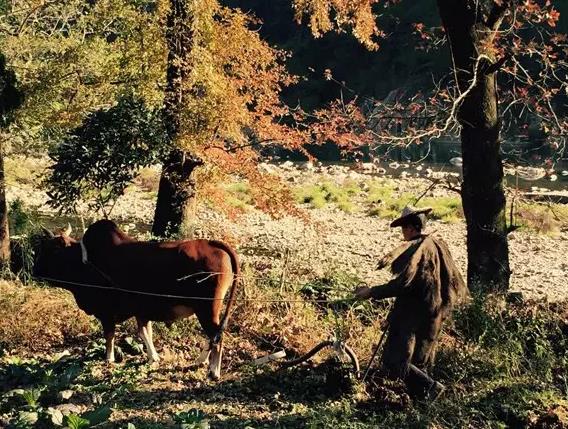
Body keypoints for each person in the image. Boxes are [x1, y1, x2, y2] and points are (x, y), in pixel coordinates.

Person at [355, 205, 468, 400]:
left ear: (410, 228)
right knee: (420, 362)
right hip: (434, 315)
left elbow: (402, 284)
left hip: (412, 320)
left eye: (403, 229)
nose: (403, 234)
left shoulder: (418, 250)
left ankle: (432, 388)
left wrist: (371, 292)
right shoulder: (438, 246)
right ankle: (419, 404)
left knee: (396, 361)